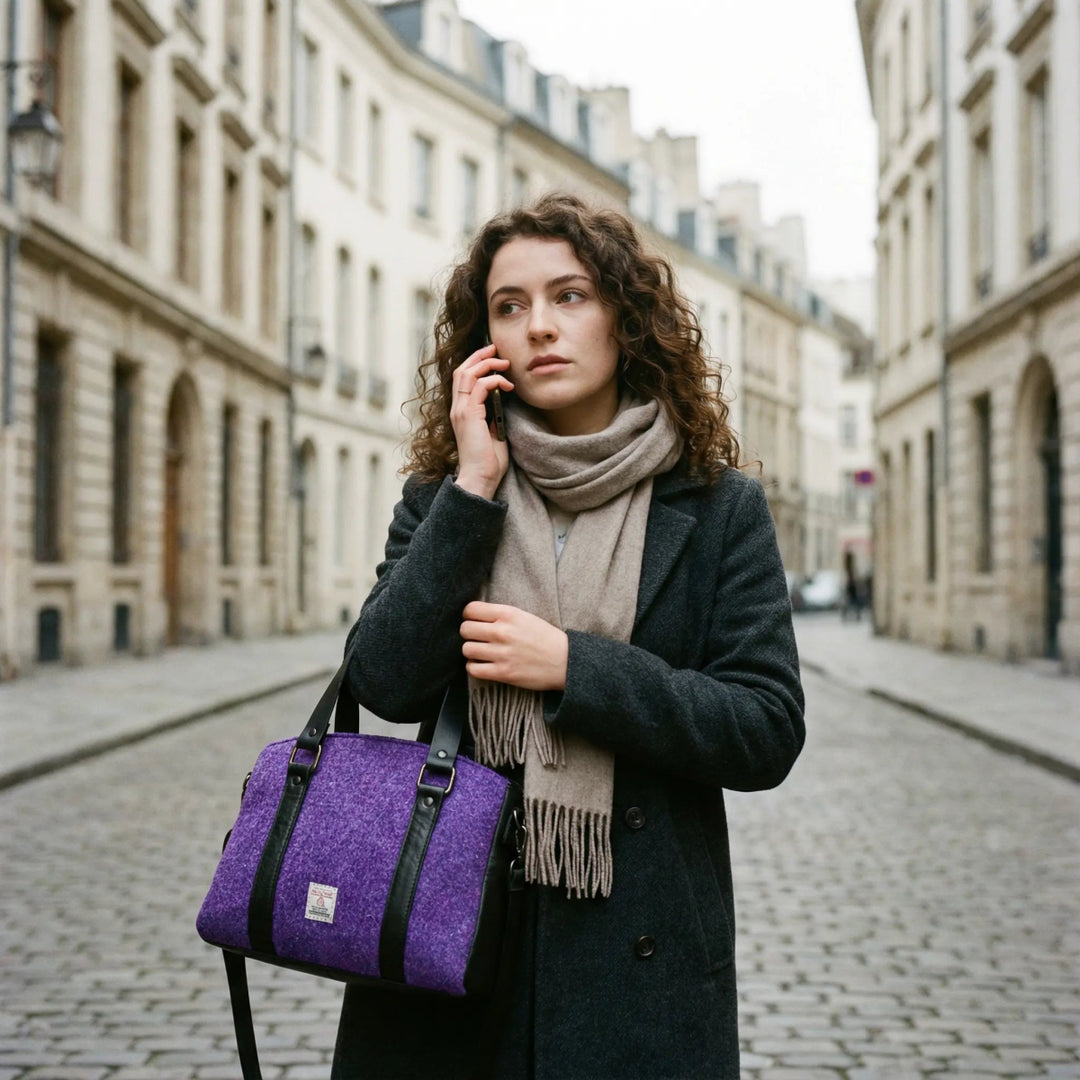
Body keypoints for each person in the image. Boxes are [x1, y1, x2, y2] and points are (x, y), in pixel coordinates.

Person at [334, 193, 805, 1079]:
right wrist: (473, 491)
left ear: (626, 318)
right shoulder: (445, 497)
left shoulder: (717, 506)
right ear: (484, 341)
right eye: (509, 306)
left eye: (570, 296)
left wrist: (573, 668)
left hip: (639, 963)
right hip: (449, 949)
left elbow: (765, 728)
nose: (539, 326)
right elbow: (383, 682)